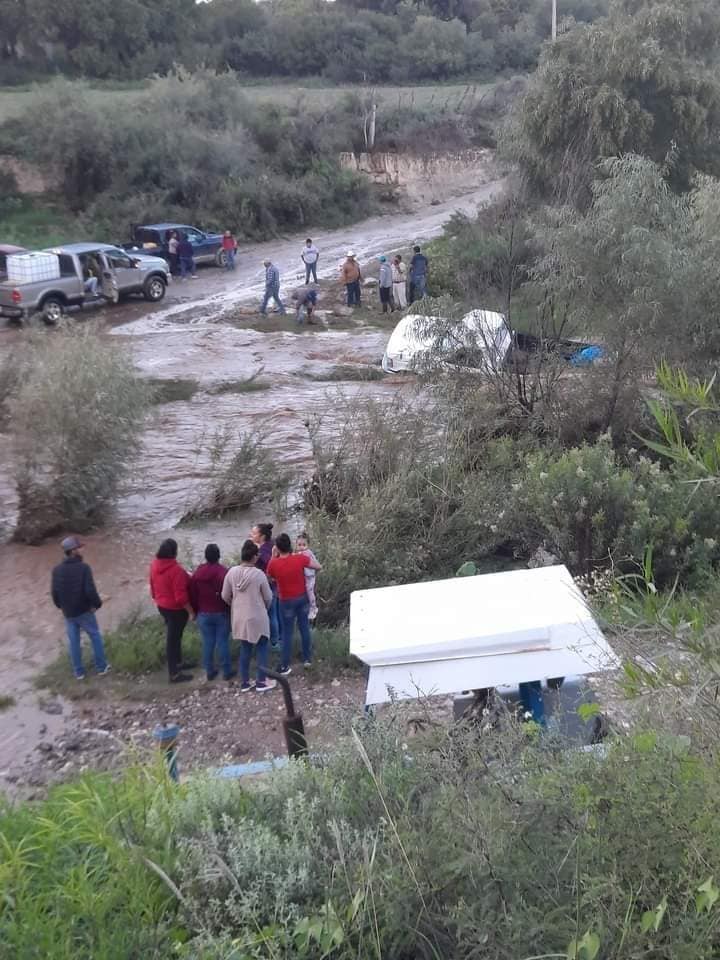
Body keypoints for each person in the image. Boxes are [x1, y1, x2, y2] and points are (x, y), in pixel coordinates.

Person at [51, 536, 109, 680]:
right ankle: (101, 667)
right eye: (78, 548)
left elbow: (54, 592)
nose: (80, 550)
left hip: (68, 613)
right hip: (84, 611)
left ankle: (79, 672)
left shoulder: (56, 570)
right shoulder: (84, 568)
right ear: (73, 551)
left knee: (74, 642)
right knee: (95, 636)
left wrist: (61, 607)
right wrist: (97, 604)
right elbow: (90, 590)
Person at [222, 540, 277, 693]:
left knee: (245, 649)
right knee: (261, 649)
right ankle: (261, 681)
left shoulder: (231, 572)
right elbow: (268, 597)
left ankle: (245, 683)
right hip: (257, 616)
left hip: (239, 617)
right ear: (254, 557)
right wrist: (263, 608)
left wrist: (236, 605)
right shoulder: (259, 574)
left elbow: (225, 595)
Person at [267, 532, 321, 674]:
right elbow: (318, 566)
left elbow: (270, 576)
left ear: (277, 548)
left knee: (287, 632)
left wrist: (273, 555)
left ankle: (285, 665)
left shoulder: (274, 563)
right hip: (302, 598)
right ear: (290, 546)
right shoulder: (300, 558)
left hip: (286, 601)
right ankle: (307, 659)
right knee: (304, 628)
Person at [149, 538, 194, 683]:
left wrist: (155, 598)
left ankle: (179, 663)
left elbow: (152, 583)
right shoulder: (176, 570)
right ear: (174, 552)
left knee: (175, 637)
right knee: (173, 640)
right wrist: (191, 612)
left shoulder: (154, 565)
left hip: (162, 606)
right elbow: (181, 597)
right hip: (176, 609)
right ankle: (174, 674)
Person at [189, 543, 233, 681]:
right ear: (218, 556)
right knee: (222, 642)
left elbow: (193, 593)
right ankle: (226, 672)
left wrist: (195, 611)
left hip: (203, 613)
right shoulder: (223, 572)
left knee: (208, 642)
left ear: (206, 556)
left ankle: (209, 671)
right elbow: (229, 593)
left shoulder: (198, 572)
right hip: (221, 612)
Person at [251, 522, 280, 648]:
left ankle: (273, 642)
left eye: (254, 533)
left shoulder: (262, 552)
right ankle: (278, 639)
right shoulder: (273, 544)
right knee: (276, 614)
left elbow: (271, 565)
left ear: (262, 537)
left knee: (270, 615)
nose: (251, 535)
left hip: (268, 588)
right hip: (278, 586)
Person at [295, 531, 319, 622]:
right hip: (304, 576)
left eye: (304, 545)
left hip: (310, 576)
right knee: (305, 592)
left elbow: (315, 563)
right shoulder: (299, 553)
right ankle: (308, 608)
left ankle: (313, 608)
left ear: (308, 545)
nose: (301, 547)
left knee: (309, 591)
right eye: (299, 545)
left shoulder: (307, 553)